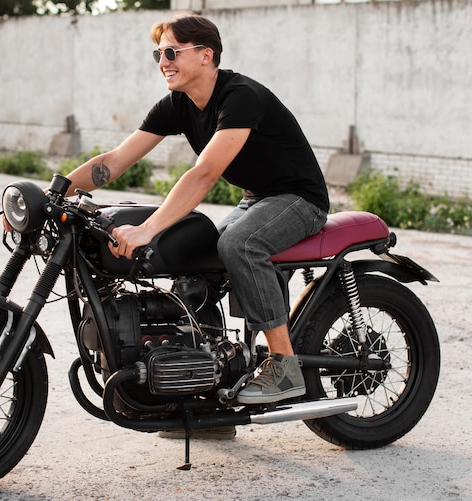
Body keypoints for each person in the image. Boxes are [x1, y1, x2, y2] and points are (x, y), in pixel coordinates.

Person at [61, 13, 329, 409]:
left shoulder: (240, 97)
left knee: (239, 244)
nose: (163, 61)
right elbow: (116, 160)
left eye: (172, 51)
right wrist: (54, 192)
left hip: (299, 199)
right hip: (257, 198)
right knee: (196, 254)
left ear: (206, 55)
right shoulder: (178, 105)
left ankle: (284, 366)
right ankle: (207, 389)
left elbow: (204, 173)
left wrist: (147, 229)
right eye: (158, 53)